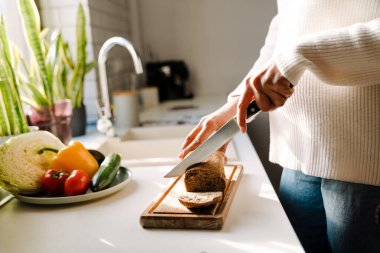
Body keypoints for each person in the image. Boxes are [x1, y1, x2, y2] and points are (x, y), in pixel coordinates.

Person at [179, 1, 380, 252]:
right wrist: (233, 107)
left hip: (363, 168)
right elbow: (285, 30)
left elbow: (291, 52)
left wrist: (300, 55)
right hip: (295, 162)